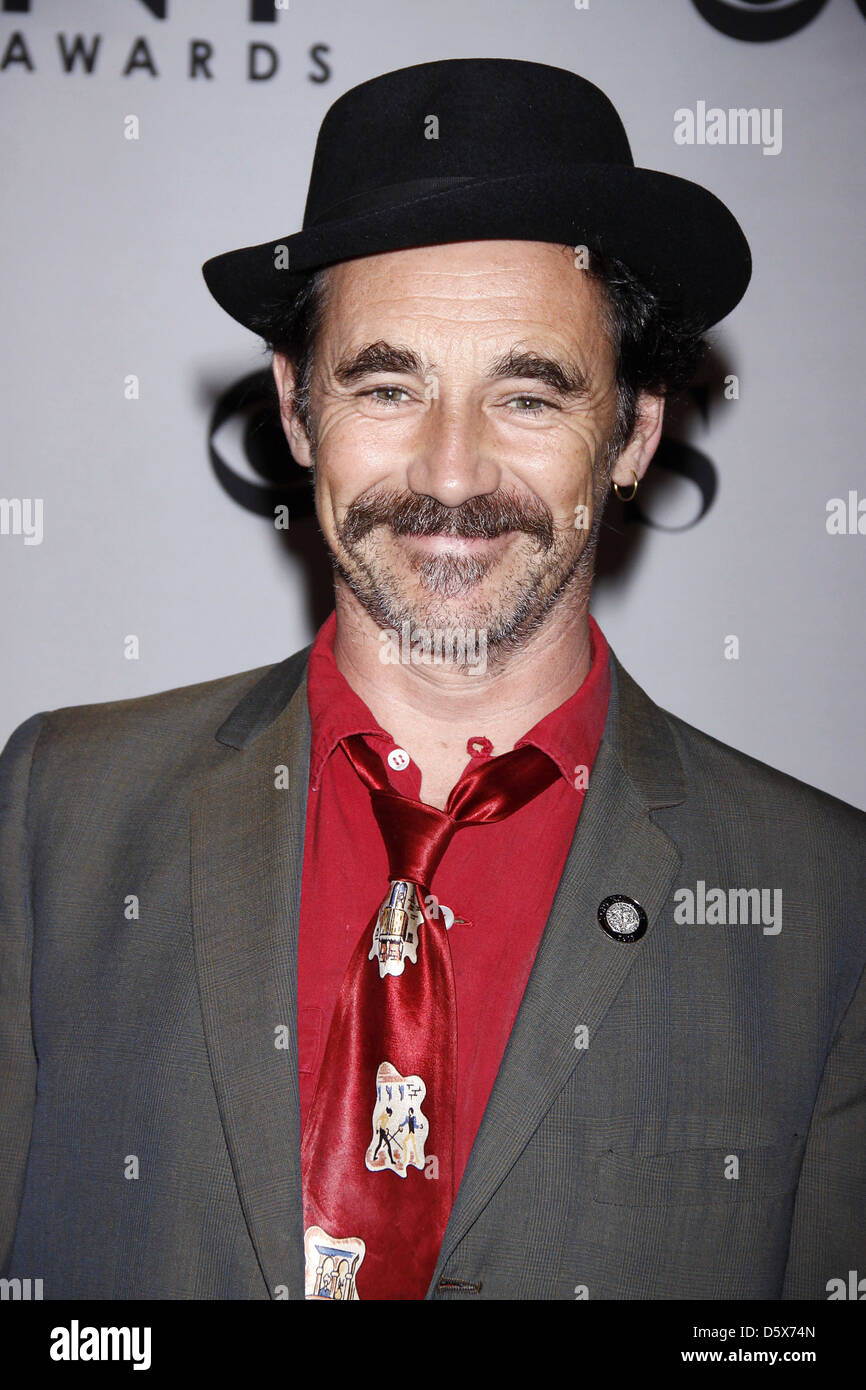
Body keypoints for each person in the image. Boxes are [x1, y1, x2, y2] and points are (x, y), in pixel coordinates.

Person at [1, 59, 863, 1302]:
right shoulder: (59, 816)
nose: (451, 474)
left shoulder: (821, 908)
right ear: (297, 412)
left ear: (631, 430)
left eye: (527, 392)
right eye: (387, 384)